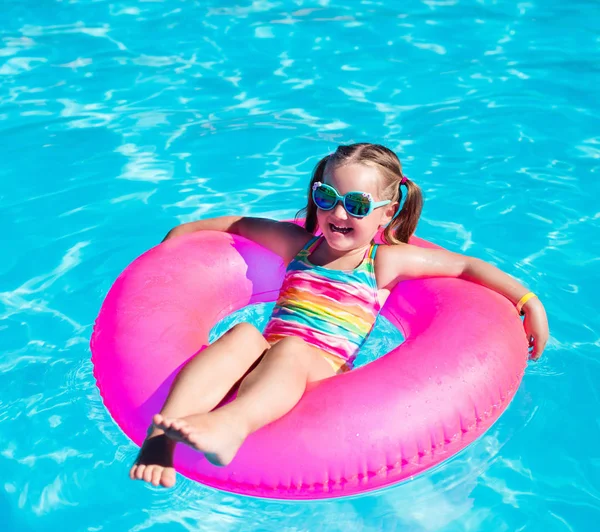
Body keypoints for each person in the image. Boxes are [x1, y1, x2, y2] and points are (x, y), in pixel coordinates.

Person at [129, 143, 549, 488]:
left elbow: (464, 267)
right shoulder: (300, 245)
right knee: (241, 335)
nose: (339, 213)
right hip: (270, 357)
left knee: (290, 349)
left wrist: (529, 300)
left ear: (387, 213)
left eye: (357, 204)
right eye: (326, 198)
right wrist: (181, 236)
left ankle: (230, 426)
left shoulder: (383, 263)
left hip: (319, 370)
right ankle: (161, 438)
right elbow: (241, 224)